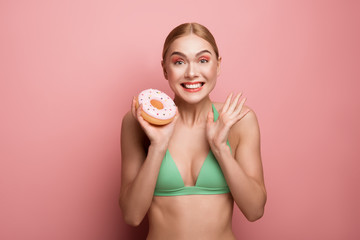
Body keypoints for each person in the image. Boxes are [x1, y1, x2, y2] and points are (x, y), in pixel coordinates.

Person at [119, 22, 267, 239]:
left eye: (203, 60)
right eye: (179, 62)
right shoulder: (138, 121)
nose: (191, 73)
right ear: (164, 69)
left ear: (218, 65)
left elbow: (255, 211)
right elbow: (132, 216)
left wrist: (220, 149)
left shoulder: (238, 120)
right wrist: (158, 148)